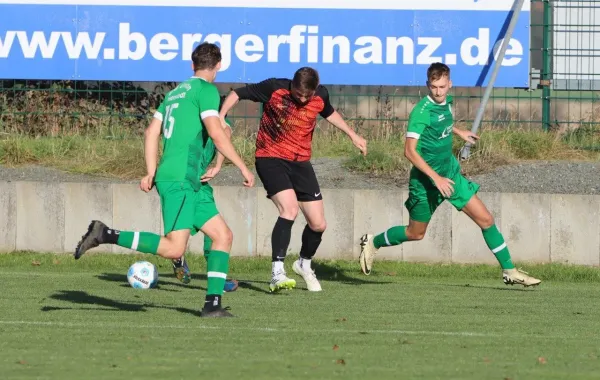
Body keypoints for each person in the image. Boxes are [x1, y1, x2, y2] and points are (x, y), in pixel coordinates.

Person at [73, 42, 255, 317]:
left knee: (222, 235)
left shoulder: (174, 94)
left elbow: (150, 133)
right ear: (218, 66)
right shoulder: (206, 90)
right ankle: (105, 234)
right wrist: (242, 166)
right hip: (181, 178)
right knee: (174, 248)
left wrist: (150, 171)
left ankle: (212, 305)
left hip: (188, 180)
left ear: (192, 65)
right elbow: (217, 133)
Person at [358, 62, 541, 288]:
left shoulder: (446, 103)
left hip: (451, 176)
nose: (438, 91)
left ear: (449, 85)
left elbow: (441, 124)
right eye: (434, 87)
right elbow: (409, 152)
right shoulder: (421, 112)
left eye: (442, 86)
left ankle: (509, 270)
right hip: (426, 183)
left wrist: (459, 131)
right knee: (415, 233)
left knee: (486, 220)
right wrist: (436, 179)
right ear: (427, 85)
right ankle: (373, 242)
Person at [219, 67, 367, 292]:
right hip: (270, 157)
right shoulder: (274, 88)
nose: (303, 99)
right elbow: (237, 93)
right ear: (293, 85)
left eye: (308, 95)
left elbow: (329, 112)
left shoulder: (320, 95)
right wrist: (221, 117)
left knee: (318, 224)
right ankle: (277, 272)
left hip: (300, 162)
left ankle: (303, 263)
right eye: (299, 94)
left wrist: (352, 134)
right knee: (289, 210)